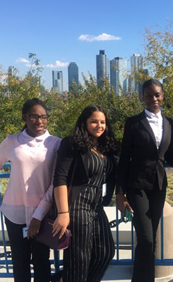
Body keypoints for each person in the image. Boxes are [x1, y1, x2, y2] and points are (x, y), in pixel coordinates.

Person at [116, 79, 173, 282]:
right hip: (136, 186)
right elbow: (124, 158)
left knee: (152, 241)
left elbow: (170, 155)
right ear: (142, 97)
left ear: (162, 96)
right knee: (146, 238)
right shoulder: (133, 122)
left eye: (157, 94)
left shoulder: (169, 123)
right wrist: (120, 192)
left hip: (158, 186)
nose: (154, 99)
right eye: (149, 95)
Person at [52, 105, 118, 282]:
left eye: (103, 122)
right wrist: (63, 213)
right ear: (85, 123)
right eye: (94, 121)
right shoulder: (72, 143)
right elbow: (60, 178)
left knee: (106, 253)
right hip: (77, 207)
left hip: (96, 207)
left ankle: (63, 278)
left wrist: (122, 195)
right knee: (78, 260)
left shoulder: (106, 147)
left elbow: (118, 173)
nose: (99, 126)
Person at [0, 98, 61, 282]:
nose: (40, 121)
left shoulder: (55, 143)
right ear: (24, 117)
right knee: (20, 262)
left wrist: (38, 215)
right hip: (14, 213)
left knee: (42, 262)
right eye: (34, 116)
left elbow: (56, 183)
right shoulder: (11, 142)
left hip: (42, 214)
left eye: (44, 117)